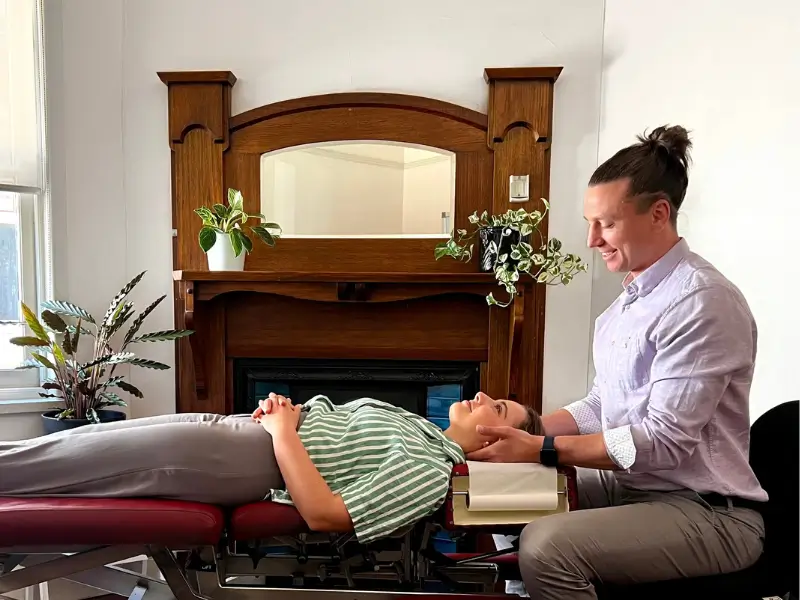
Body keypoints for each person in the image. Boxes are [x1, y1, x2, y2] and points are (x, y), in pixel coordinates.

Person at [468, 125, 767, 599]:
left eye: (605, 223)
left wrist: (542, 450)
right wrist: (526, 435)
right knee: (487, 495)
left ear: (659, 214)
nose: (591, 239)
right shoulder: (626, 305)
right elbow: (602, 403)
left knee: (546, 548)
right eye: (591, 223)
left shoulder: (703, 302)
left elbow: (664, 442)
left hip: (710, 513)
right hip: (635, 490)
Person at [0, 391, 540, 544]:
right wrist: (291, 411)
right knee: (78, 443)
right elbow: (338, 433)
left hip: (246, 457)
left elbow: (327, 513)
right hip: (245, 431)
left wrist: (283, 432)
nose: (486, 396)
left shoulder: (430, 469)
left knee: (64, 461)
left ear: (493, 448)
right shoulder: (420, 430)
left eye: (499, 411)